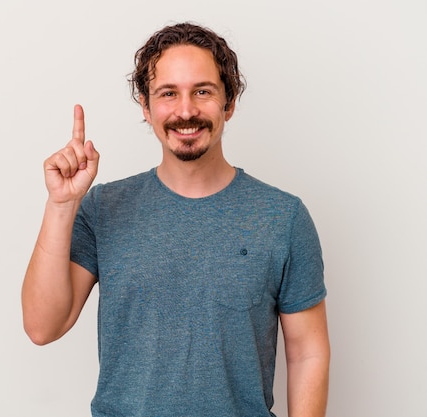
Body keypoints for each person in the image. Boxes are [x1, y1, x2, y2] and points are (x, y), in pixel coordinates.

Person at [22, 22, 330, 417]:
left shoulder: (283, 217)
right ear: (147, 108)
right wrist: (61, 205)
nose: (186, 111)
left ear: (228, 103)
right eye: (168, 94)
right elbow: (42, 327)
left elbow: (308, 353)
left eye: (203, 91)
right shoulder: (102, 207)